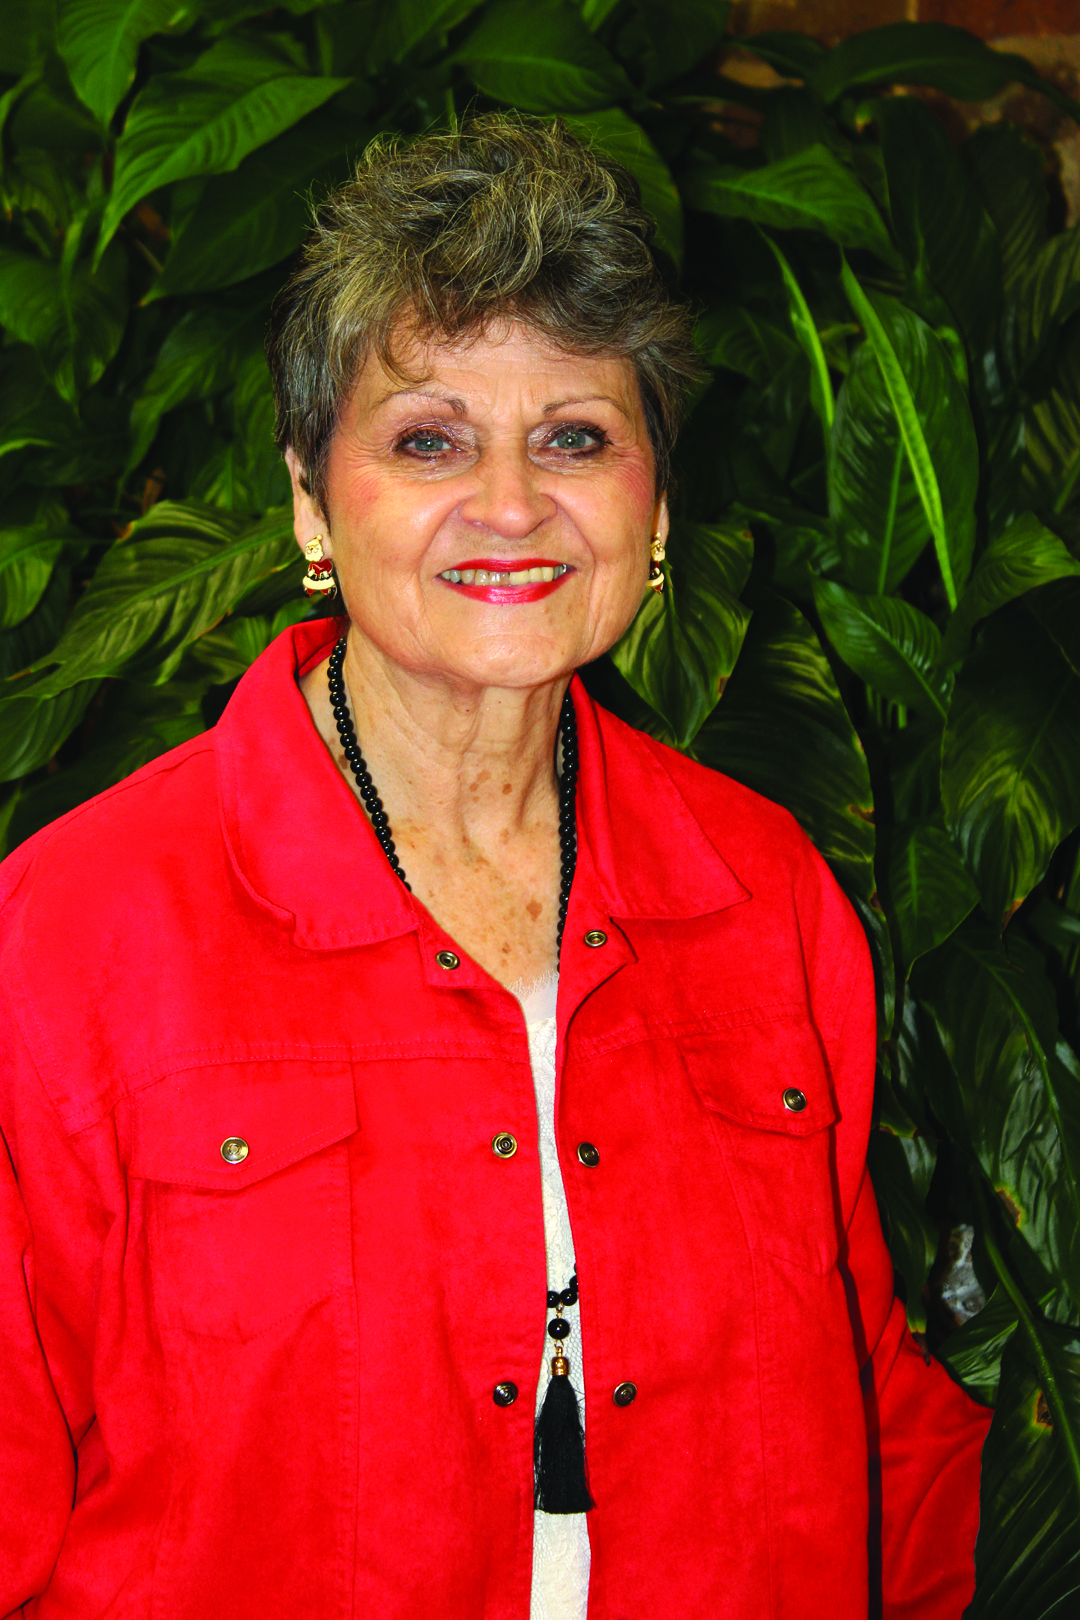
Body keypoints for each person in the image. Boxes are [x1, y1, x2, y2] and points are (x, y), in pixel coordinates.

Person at [0, 116, 989, 1620]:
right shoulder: (78, 931)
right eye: (429, 440)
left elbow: (874, 1406)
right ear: (311, 499)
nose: (514, 506)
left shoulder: (763, 889)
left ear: (655, 501)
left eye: (576, 437)